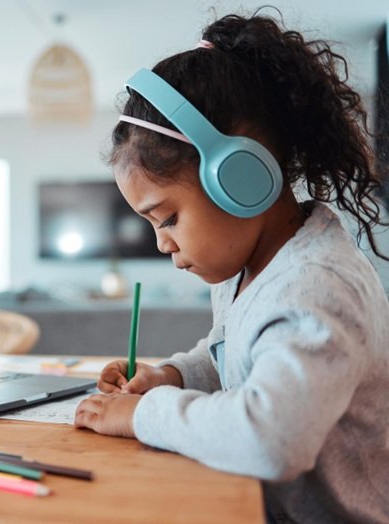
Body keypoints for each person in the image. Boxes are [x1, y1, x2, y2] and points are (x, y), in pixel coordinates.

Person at [74, 11, 389, 523]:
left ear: (240, 178)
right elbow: (233, 351)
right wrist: (172, 376)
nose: (162, 244)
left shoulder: (314, 289)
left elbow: (274, 439)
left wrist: (143, 415)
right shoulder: (255, 267)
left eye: (168, 217)